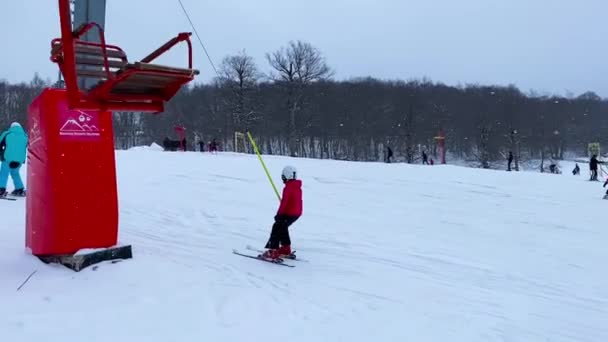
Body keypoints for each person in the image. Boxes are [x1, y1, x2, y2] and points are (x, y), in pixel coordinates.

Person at [261, 165, 303, 260]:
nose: (283, 180)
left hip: (289, 213)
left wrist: (278, 215)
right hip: (296, 214)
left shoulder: (288, 188)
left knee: (276, 226)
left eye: (283, 177)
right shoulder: (297, 186)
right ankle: (285, 248)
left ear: (287, 176)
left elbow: (284, 204)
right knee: (282, 227)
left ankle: (273, 250)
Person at [0, 122, 28, 197]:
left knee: (4, 173)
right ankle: (19, 189)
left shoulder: (7, 134)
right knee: (15, 173)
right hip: (20, 160)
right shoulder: (25, 136)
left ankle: (1, 189)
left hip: (7, 158)